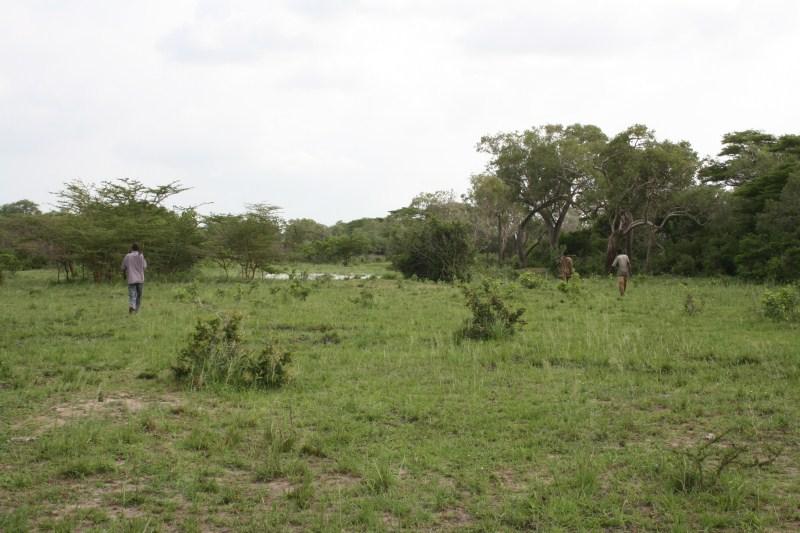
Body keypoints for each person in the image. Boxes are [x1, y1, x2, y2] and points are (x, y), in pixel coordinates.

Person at [122, 243, 147, 313]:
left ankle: (132, 306)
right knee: (139, 295)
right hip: (140, 279)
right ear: (138, 248)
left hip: (131, 278)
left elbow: (123, 267)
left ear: (132, 248)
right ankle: (136, 310)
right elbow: (144, 267)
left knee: (132, 294)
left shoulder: (128, 256)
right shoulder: (141, 255)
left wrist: (124, 275)